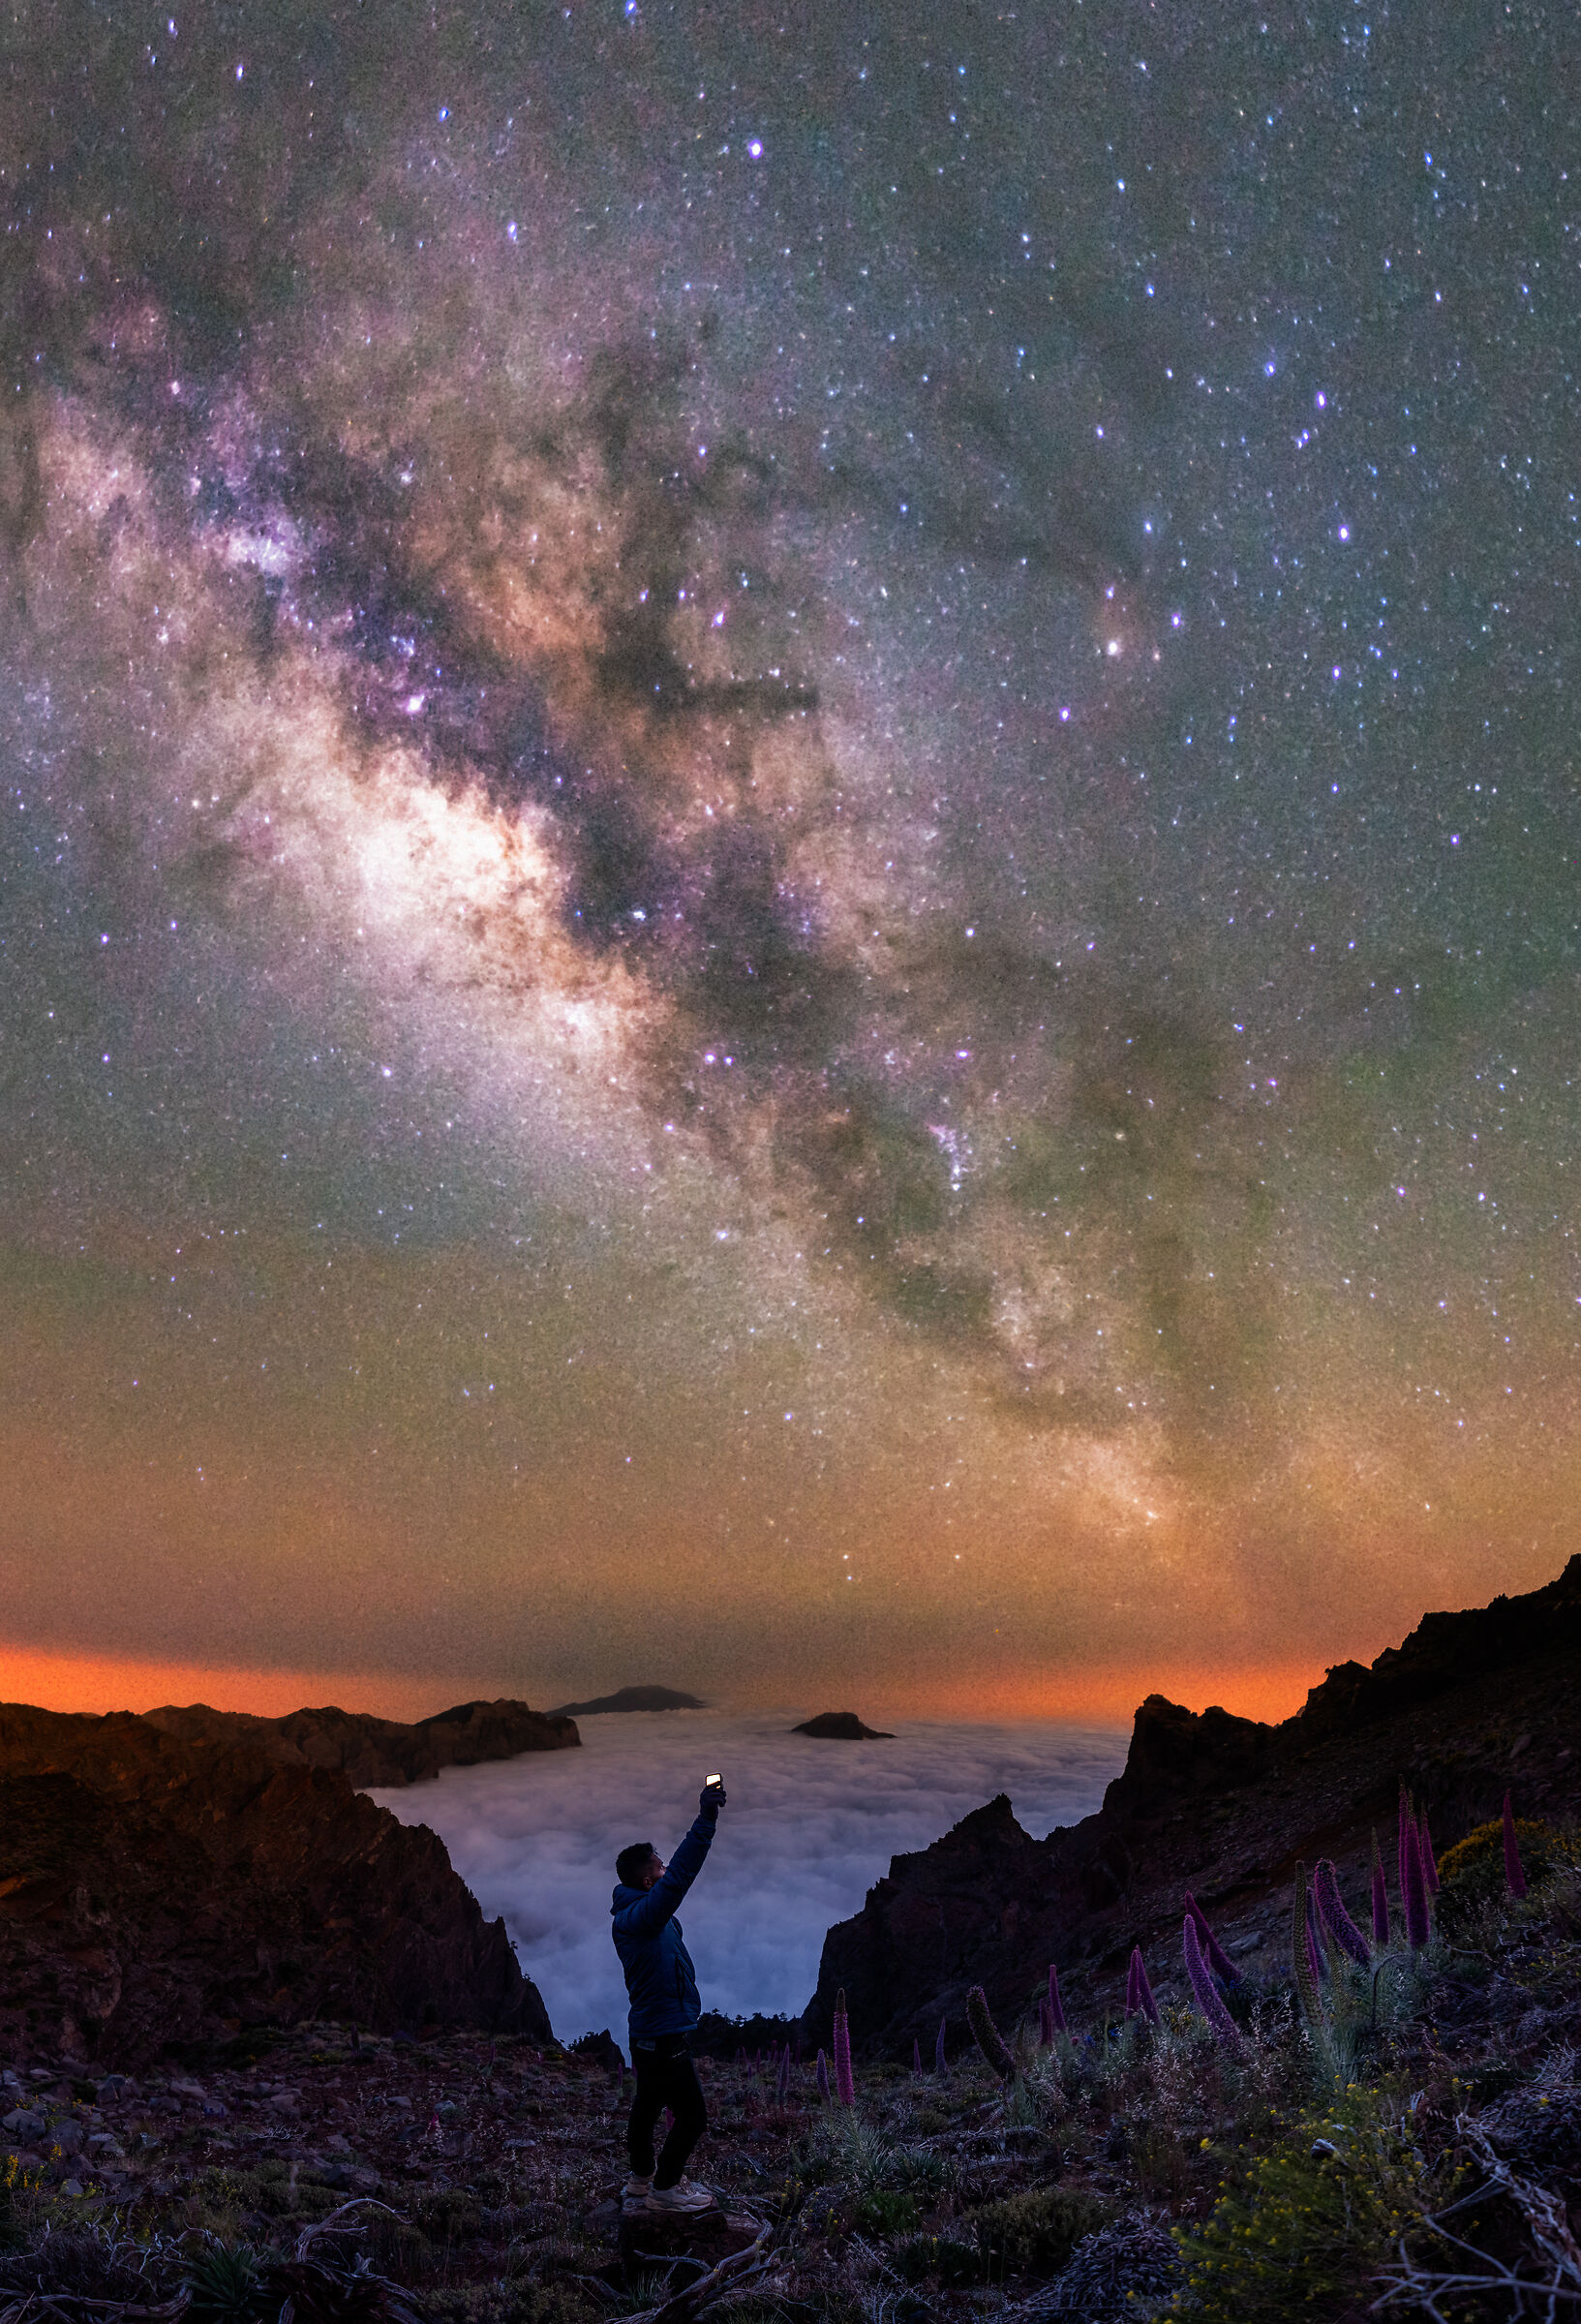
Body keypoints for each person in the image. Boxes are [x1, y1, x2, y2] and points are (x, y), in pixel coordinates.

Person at [610, 1779, 726, 2214]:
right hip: (662, 2034)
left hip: (648, 2031)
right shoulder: (643, 1916)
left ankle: (640, 2182)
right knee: (693, 2117)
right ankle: (666, 2189)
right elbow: (678, 1880)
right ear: (646, 1880)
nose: (663, 1872)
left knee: (647, 2107)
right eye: (657, 1868)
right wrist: (706, 1822)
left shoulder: (637, 1915)